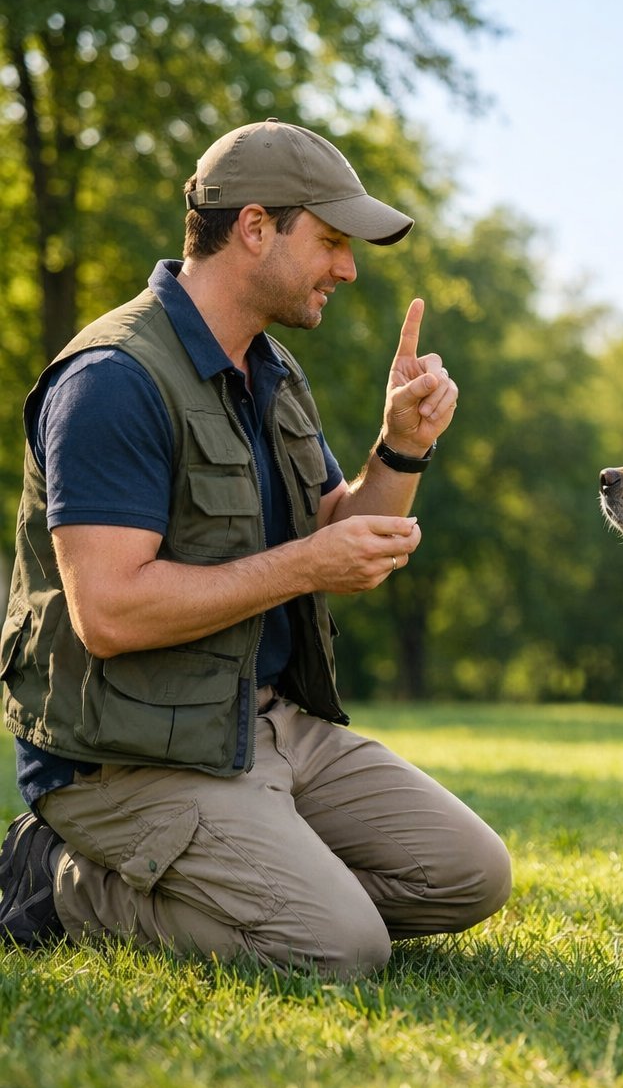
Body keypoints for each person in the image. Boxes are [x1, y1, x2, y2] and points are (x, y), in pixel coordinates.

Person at [0, 118, 511, 978]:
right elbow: (111, 612)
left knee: (470, 875)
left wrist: (402, 446)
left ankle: (261, 867)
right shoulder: (112, 382)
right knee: (341, 947)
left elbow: (334, 536)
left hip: (261, 722)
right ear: (255, 227)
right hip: (127, 758)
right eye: (332, 241)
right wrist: (305, 566)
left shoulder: (270, 369)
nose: (347, 269)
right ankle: (59, 881)